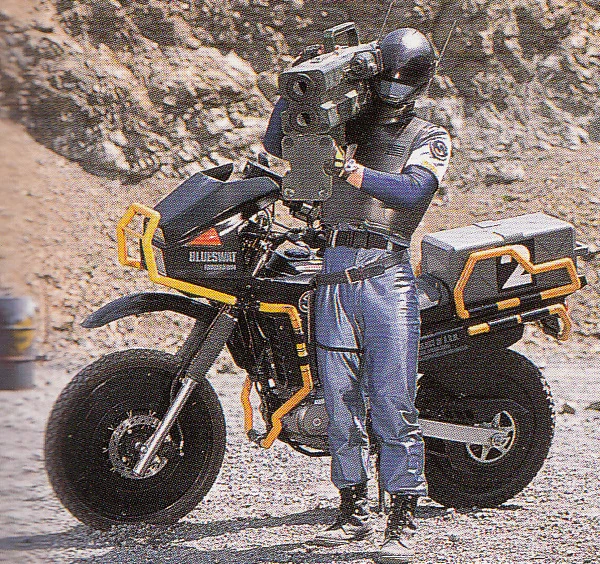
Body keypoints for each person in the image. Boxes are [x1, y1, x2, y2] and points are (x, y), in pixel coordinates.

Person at [263, 27, 451, 564]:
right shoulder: (347, 122)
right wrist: (294, 90)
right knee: (339, 402)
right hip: (334, 268)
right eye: (386, 80)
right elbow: (277, 143)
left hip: (386, 272)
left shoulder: (430, 135)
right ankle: (352, 510)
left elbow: (412, 191)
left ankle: (402, 519)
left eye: (401, 83)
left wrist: (351, 170)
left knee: (392, 402)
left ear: (418, 85)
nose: (391, 92)